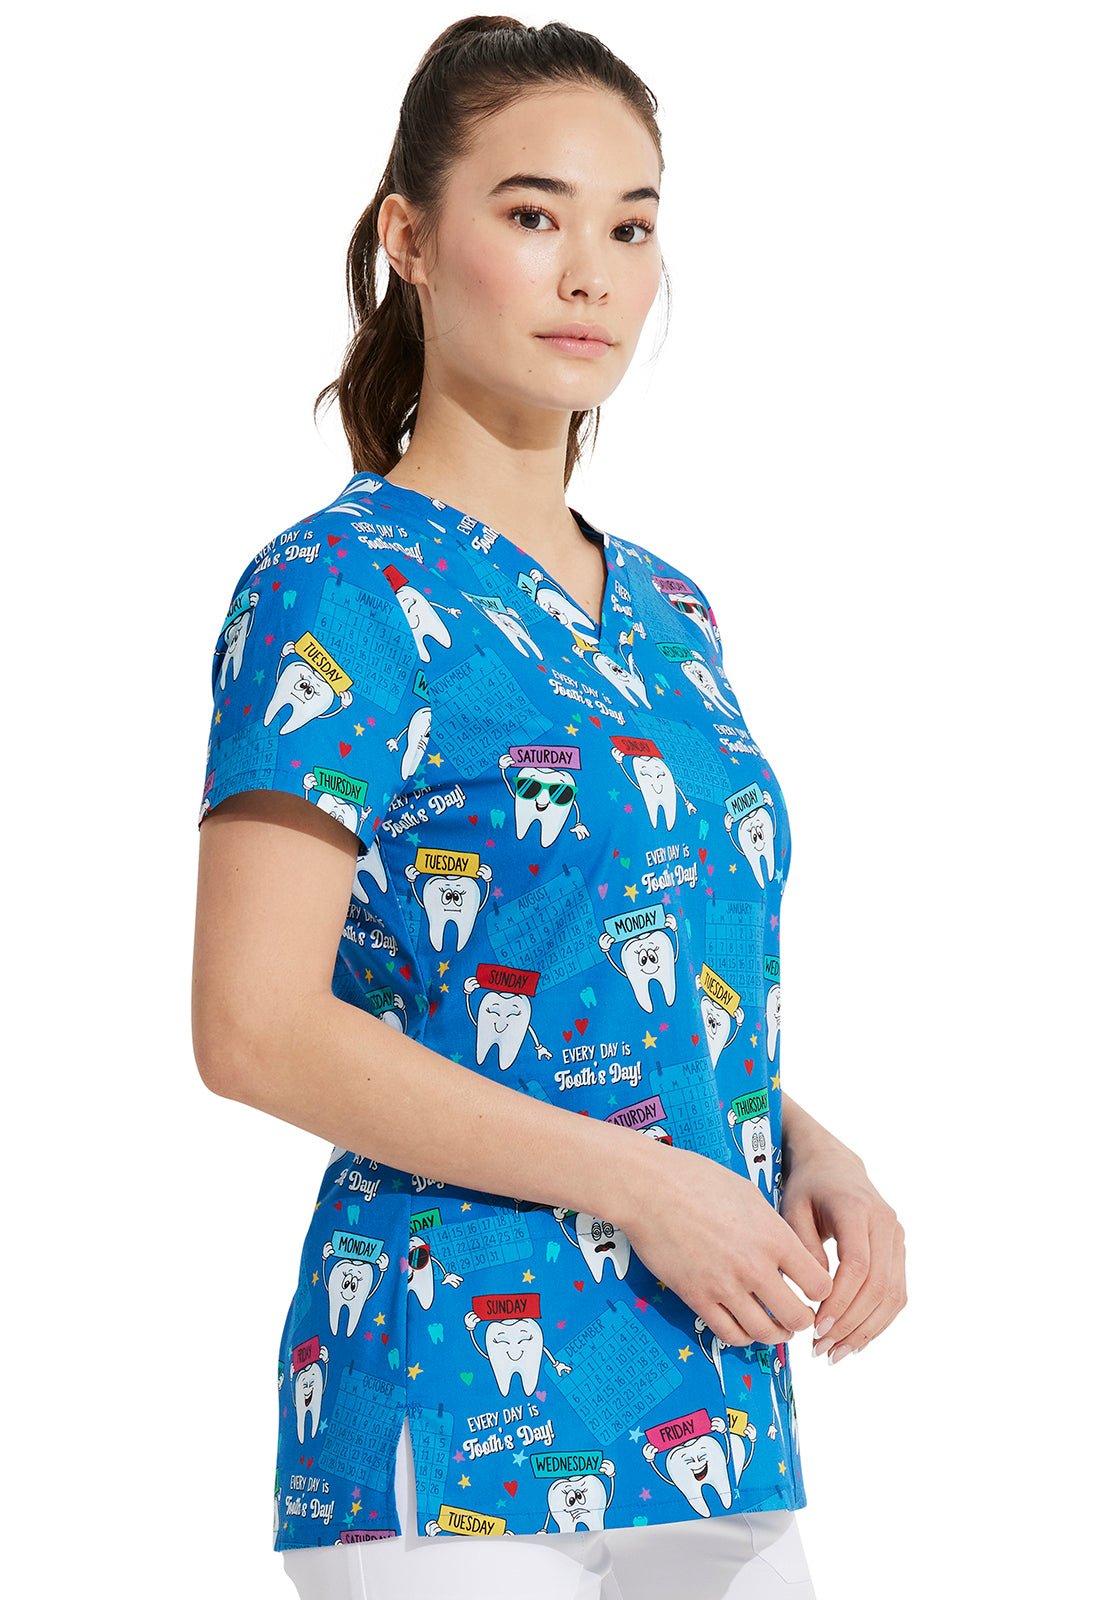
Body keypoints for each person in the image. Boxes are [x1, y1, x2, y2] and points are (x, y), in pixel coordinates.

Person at [191, 15, 907, 1600]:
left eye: (631, 228)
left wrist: (804, 1143)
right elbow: (252, 1027)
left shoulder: (672, 613)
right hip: (453, 1424)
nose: (592, 274)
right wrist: (645, 1183)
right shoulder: (336, 589)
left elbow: (607, 968)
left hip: (711, 1401)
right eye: (534, 214)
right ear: (409, 239)